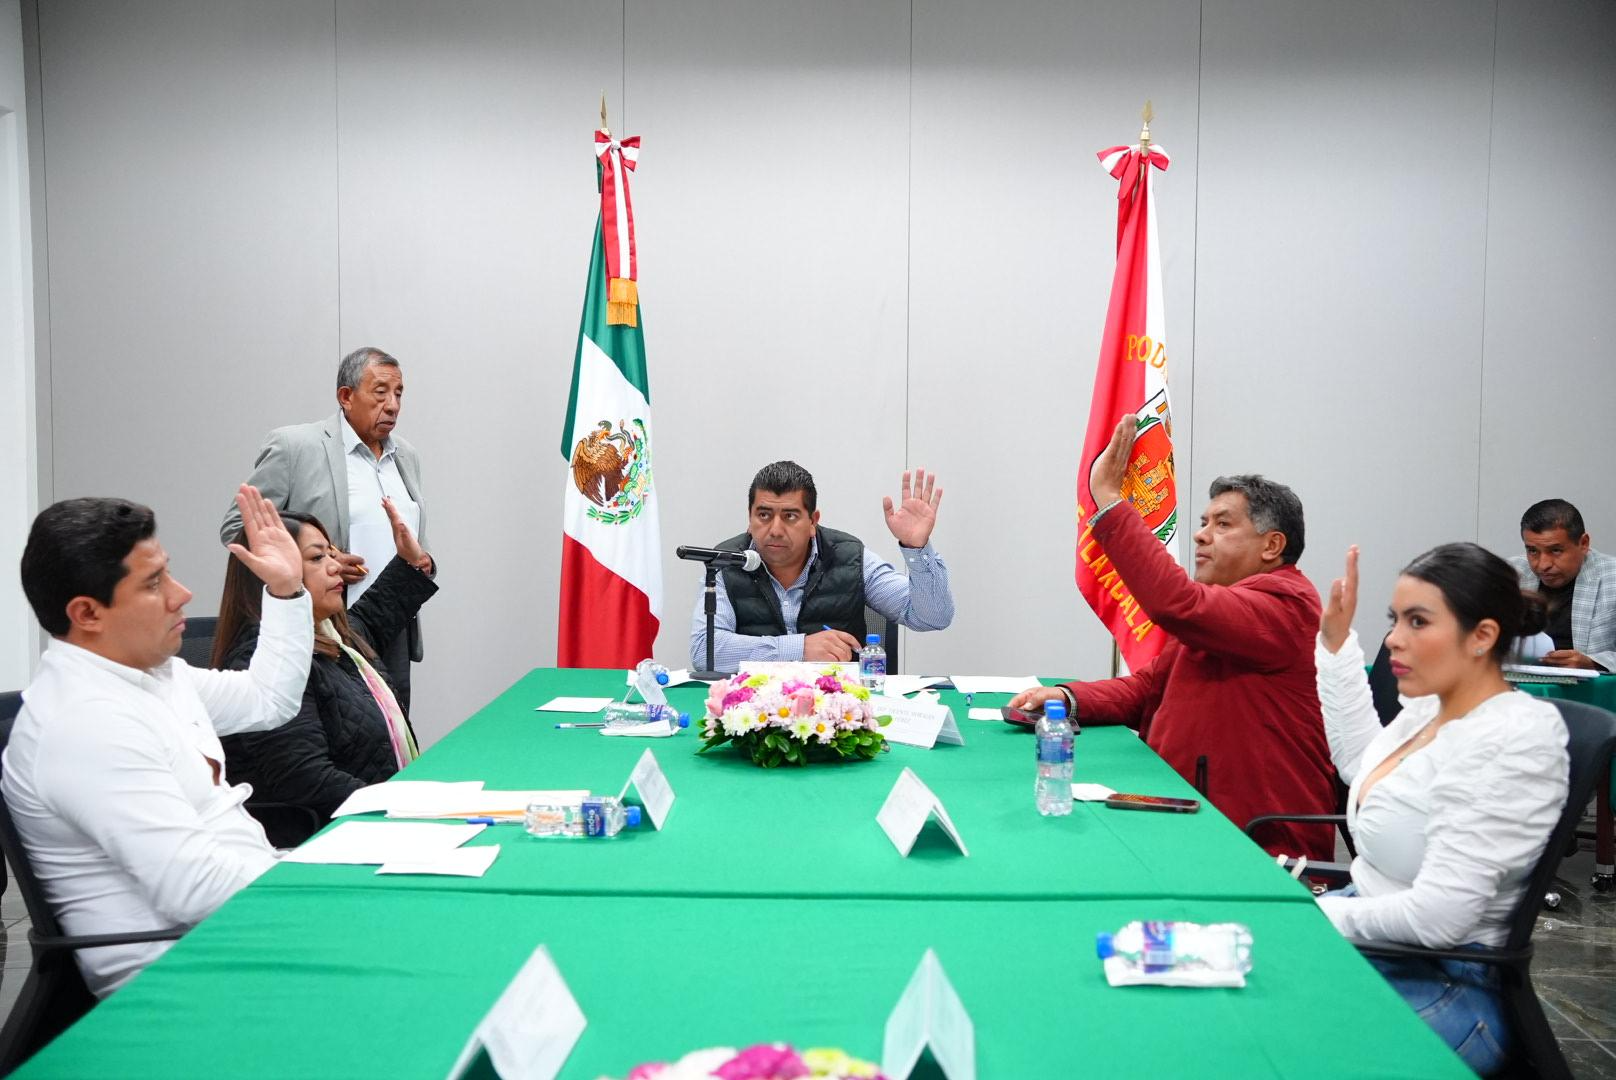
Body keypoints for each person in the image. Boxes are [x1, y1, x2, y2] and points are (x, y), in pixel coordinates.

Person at [4, 486, 312, 997]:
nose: (181, 593)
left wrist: (285, 590)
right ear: (87, 614)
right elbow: (196, 890)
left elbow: (268, 700)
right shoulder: (84, 723)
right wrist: (322, 887)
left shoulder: (151, 674)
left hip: (246, 930)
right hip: (190, 976)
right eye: (153, 583)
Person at [1009, 418, 1336, 862]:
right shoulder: (1225, 605)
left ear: (1272, 546)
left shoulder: (1286, 604)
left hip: (1254, 845)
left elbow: (1175, 603)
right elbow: (1149, 688)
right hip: (1183, 814)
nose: (1201, 534)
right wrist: (1068, 697)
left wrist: (1110, 500)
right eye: (1204, 522)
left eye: (1223, 524)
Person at [1315, 542, 1568, 1074]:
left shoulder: (1513, 738)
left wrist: (1315, 917)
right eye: (1395, 620)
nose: (1393, 638)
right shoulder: (1431, 709)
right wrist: (1336, 646)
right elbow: (1361, 767)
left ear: (1482, 636)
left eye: (1418, 621)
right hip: (1375, 940)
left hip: (1446, 979)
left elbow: (1438, 920)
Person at [214, 498, 437, 846]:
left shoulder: (334, 635)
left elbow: (377, 612)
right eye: (318, 558)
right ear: (271, 571)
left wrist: (412, 561)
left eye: (332, 554)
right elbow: (305, 777)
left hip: (378, 819)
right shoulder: (267, 662)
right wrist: (404, 806)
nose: (336, 567)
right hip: (333, 839)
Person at [220, 346, 430, 712]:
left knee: (393, 731)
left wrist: (424, 562)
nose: (393, 405)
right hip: (324, 623)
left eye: (399, 394)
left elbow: (413, 540)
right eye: (380, 392)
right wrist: (322, 559)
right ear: (346, 396)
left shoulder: (406, 456)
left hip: (393, 622)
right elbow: (238, 528)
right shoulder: (295, 447)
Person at [689, 461, 954, 670]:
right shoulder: (726, 562)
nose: (775, 529)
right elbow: (704, 651)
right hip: (755, 709)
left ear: (813, 521)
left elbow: (932, 617)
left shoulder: (850, 558)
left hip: (840, 709)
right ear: (750, 519)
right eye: (764, 515)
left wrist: (916, 549)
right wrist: (800, 649)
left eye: (790, 516)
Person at [1509, 498, 1615, 671]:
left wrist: (1593, 663)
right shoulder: (1512, 574)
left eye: (1556, 550)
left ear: (1583, 544)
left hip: (1591, 687)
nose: (1543, 565)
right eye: (1532, 551)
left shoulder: (1612, 577)